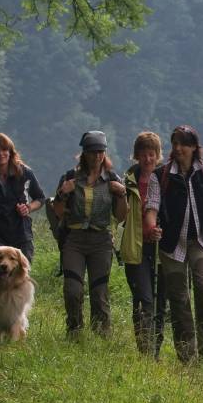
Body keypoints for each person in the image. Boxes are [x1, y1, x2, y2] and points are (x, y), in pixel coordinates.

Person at [144, 125, 203, 363]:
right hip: (172, 244)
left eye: (184, 144)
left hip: (201, 241)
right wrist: (152, 228)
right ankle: (186, 354)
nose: (179, 148)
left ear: (194, 147)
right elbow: (151, 206)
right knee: (178, 297)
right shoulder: (160, 176)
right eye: (175, 143)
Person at [51, 131, 128, 336]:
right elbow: (58, 212)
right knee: (72, 289)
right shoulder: (70, 177)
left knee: (99, 291)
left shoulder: (112, 179)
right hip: (74, 240)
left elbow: (120, 217)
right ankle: (74, 330)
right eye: (92, 152)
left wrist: (121, 194)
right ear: (84, 153)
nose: (97, 156)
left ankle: (101, 334)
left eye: (100, 152)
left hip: (101, 241)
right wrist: (62, 193)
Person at [120, 131, 166, 357]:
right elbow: (119, 214)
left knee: (160, 302)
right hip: (135, 246)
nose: (148, 159)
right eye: (144, 154)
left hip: (160, 248)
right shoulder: (128, 181)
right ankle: (145, 350)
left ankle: (155, 350)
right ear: (136, 156)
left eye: (152, 154)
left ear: (158, 155)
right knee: (144, 298)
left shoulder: (165, 179)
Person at [0, 133, 46, 263]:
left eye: (4, 150)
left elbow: (40, 198)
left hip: (22, 234)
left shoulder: (25, 173)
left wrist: (28, 208)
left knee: (22, 276)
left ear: (10, 152)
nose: (1, 154)